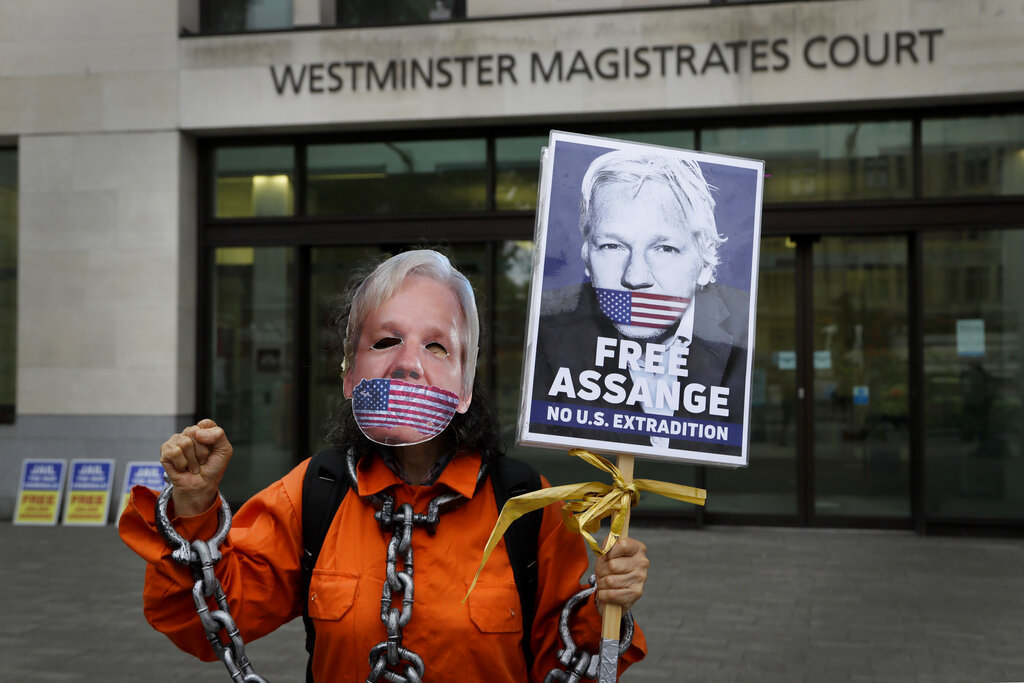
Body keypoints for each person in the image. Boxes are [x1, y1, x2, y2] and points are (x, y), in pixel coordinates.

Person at [120, 250, 648, 682]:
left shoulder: (527, 506)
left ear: (464, 385)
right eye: (386, 341)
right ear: (350, 374)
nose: (408, 365)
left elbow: (568, 664)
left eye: (437, 346)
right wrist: (193, 510)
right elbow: (205, 623)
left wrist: (606, 606)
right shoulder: (312, 494)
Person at [533, 151, 749, 455]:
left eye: (664, 248)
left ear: (703, 260)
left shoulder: (746, 327)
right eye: (612, 245)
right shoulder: (549, 331)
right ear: (586, 257)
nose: (635, 276)